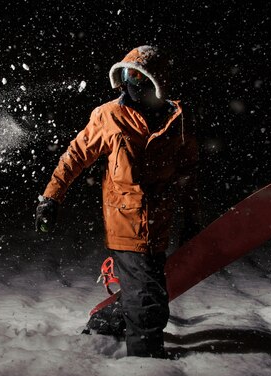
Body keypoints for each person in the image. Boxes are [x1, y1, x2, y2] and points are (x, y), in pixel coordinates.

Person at [35, 45, 202, 358]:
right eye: (126, 75)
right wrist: (51, 197)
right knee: (148, 300)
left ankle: (104, 323)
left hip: (158, 223)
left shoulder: (178, 119)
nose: (130, 83)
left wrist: (192, 217)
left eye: (138, 75)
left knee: (144, 286)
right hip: (125, 221)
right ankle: (145, 359)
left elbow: (187, 171)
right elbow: (75, 157)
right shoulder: (108, 116)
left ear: (157, 82)